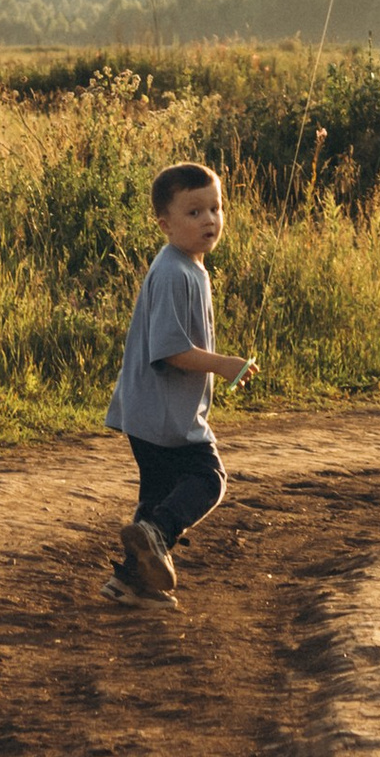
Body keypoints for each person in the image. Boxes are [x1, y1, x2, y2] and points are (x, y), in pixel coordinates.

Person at [102, 159, 256, 604]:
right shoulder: (173, 272)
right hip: (164, 415)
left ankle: (133, 581)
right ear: (165, 224)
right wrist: (223, 364)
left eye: (216, 208)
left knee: (157, 497)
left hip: (147, 412)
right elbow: (169, 350)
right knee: (208, 479)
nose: (209, 219)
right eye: (194, 212)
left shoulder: (188, 267)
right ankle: (155, 534)